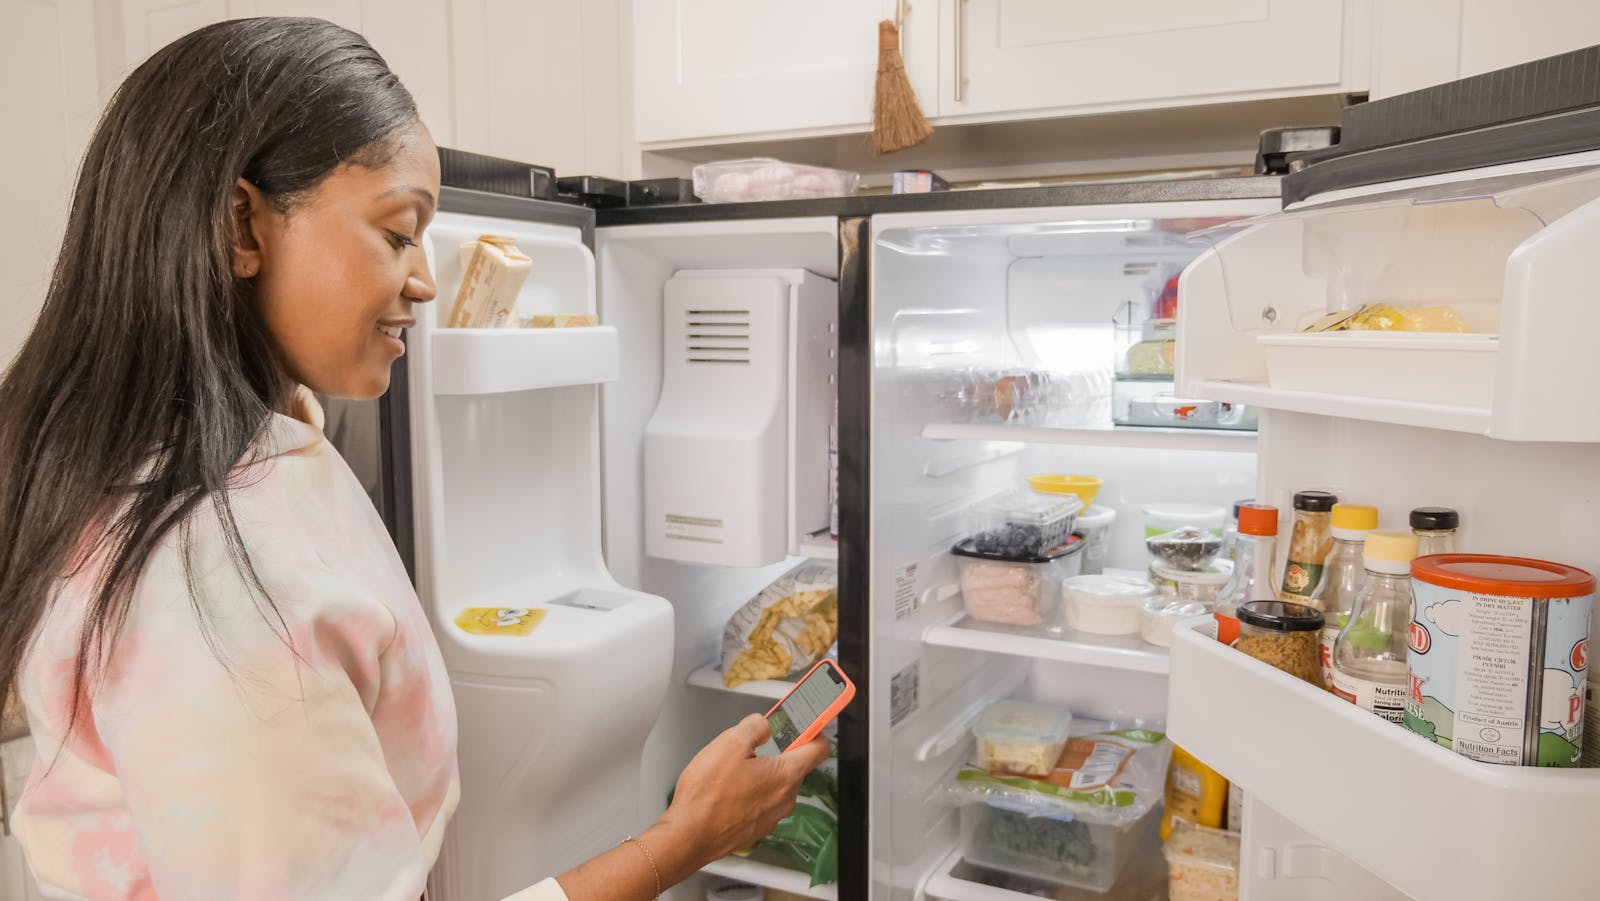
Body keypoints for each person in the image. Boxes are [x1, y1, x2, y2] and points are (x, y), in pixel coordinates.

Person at [0, 17, 831, 900]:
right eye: (399, 232)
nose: (427, 280)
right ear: (241, 226)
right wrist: (685, 838)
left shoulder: (258, 447)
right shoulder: (217, 589)